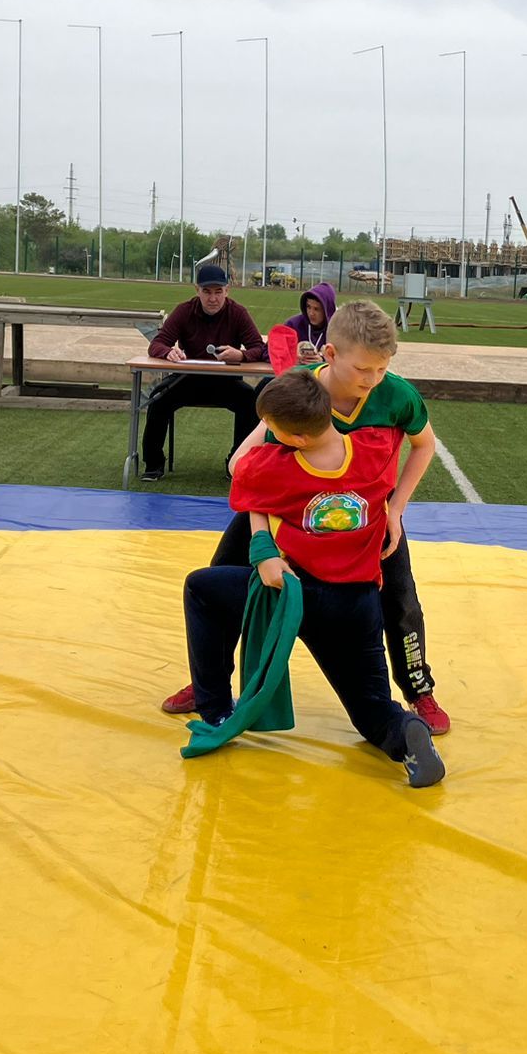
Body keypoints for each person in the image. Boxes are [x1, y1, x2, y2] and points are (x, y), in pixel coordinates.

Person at [164, 300, 449, 735]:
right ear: (330, 355)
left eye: (382, 368)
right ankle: (210, 678)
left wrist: (396, 509)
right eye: (363, 370)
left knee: (399, 596)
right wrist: (263, 527)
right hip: (288, 509)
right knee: (224, 575)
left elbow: (424, 445)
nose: (373, 380)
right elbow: (243, 462)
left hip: (366, 518)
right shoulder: (301, 392)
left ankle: (418, 688)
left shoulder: (395, 394)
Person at [140, 265, 265, 479]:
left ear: (227, 290)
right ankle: (153, 464)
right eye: (207, 292)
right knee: (158, 400)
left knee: (251, 403)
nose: (213, 298)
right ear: (197, 290)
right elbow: (157, 344)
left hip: (226, 383)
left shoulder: (238, 313)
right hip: (187, 380)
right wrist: (169, 352)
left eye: (218, 292)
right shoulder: (184, 311)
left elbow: (259, 348)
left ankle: (236, 462)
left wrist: (241, 355)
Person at [282, 282, 337, 363]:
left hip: (324, 375)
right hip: (297, 375)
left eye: (316, 309)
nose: (311, 313)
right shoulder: (293, 324)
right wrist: (292, 354)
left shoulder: (337, 330)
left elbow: (348, 358)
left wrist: (324, 360)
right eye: (308, 307)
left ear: (327, 310)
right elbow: (267, 351)